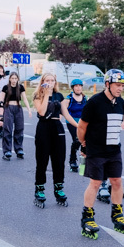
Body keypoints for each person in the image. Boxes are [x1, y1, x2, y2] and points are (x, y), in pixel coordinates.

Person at [77, 69, 124, 239]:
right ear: (107, 84)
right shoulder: (94, 102)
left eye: (122, 85)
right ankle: (88, 216)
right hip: (96, 150)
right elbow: (81, 126)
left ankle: (117, 213)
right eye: (117, 85)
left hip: (114, 149)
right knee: (95, 183)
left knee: (116, 181)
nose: (120, 88)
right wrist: (83, 143)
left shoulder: (120, 102)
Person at [32, 73, 78, 207]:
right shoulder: (38, 95)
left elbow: (66, 114)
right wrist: (46, 94)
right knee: (42, 160)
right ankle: (39, 190)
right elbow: (41, 112)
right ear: (43, 82)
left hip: (57, 128)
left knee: (59, 161)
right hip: (44, 128)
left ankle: (59, 189)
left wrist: (80, 126)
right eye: (47, 80)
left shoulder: (59, 96)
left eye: (52, 80)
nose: (50, 83)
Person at [1, 72, 31, 161]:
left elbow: (24, 98)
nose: (14, 80)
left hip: (18, 108)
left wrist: (29, 109)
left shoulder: (20, 87)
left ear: (18, 79)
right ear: (10, 79)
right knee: (8, 129)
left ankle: (19, 149)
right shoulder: (5, 88)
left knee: (19, 129)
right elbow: (1, 100)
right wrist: (1, 111)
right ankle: (7, 151)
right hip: (8, 108)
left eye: (15, 78)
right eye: (12, 78)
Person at [61, 79, 87, 173]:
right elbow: (63, 111)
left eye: (80, 86)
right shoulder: (69, 99)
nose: (78, 87)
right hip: (72, 123)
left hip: (83, 123)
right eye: (76, 86)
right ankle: (72, 160)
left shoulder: (85, 98)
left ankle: (83, 165)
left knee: (84, 142)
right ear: (73, 88)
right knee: (77, 140)